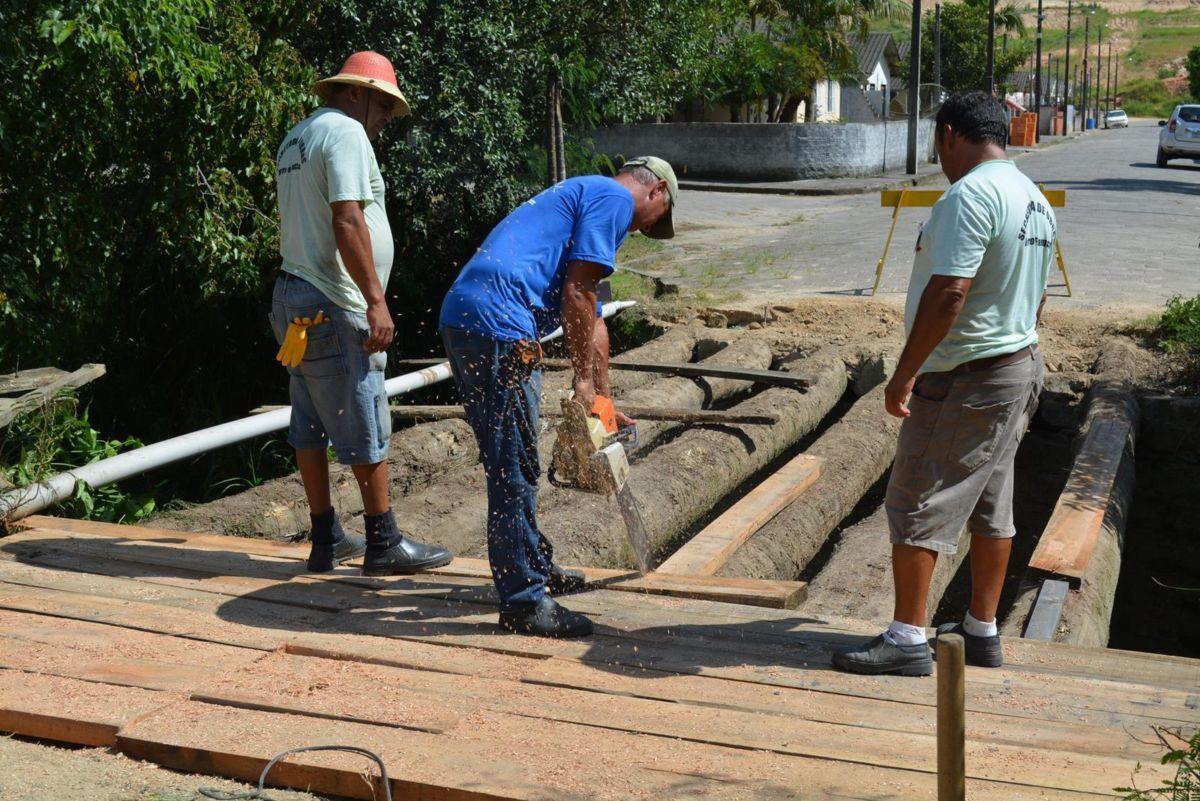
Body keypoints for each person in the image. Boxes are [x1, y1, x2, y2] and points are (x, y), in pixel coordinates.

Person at [833, 92, 1054, 676]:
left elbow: (949, 293)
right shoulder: (1032, 198)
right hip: (1014, 366)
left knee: (916, 498)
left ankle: (907, 639)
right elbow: (1034, 295)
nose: (940, 154)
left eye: (938, 142)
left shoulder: (970, 194)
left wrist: (904, 375)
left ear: (950, 134)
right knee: (989, 503)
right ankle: (981, 631)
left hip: (967, 374)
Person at [439, 157, 677, 637]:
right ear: (656, 193)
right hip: (498, 324)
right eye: (657, 220)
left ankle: (534, 565)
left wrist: (603, 408)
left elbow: (596, 320)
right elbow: (578, 294)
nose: (647, 230)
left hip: (472, 318)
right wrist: (581, 383)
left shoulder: (588, 196)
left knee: (512, 459)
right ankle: (524, 601)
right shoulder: (613, 200)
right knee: (514, 466)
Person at [271, 51, 452, 576]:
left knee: (308, 419)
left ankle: (326, 536)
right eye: (384, 106)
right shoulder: (346, 133)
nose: (386, 120)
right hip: (333, 300)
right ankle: (383, 541)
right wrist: (375, 300)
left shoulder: (297, 137)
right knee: (363, 411)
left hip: (294, 298)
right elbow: (347, 221)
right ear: (356, 93)